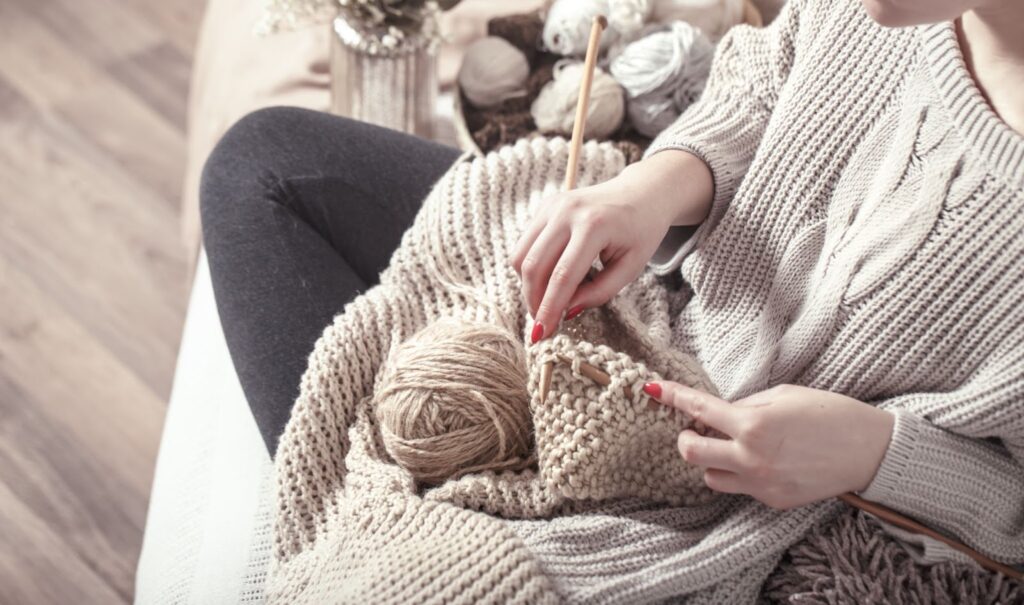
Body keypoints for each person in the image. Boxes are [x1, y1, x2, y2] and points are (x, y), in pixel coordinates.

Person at [201, 0, 1024, 569]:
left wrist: (873, 453)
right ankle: (390, 504)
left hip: (746, 488)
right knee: (265, 163)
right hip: (653, 306)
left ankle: (397, 521)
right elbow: (763, 83)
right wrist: (656, 186)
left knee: (422, 565)